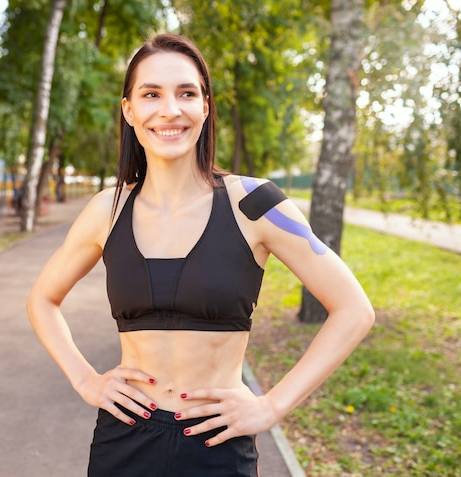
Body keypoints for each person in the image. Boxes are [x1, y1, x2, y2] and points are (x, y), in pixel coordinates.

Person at [27, 33, 374, 477]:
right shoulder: (107, 210)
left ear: (205, 107)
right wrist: (85, 379)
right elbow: (42, 299)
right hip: (124, 441)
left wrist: (271, 407)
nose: (170, 109)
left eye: (186, 93)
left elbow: (354, 309)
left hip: (217, 445)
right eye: (151, 93)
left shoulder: (256, 204)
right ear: (129, 109)